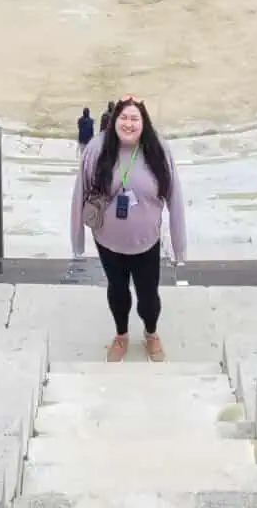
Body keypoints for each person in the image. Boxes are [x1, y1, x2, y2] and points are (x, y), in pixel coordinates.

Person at [70, 96, 186, 363]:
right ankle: (121, 335)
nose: (129, 124)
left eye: (135, 118)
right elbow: (80, 195)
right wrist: (77, 242)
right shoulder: (96, 150)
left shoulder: (158, 150)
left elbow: (175, 198)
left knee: (148, 296)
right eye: (124, 118)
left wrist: (179, 246)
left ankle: (151, 333)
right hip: (107, 242)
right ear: (114, 122)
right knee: (117, 290)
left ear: (144, 122)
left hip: (147, 242)